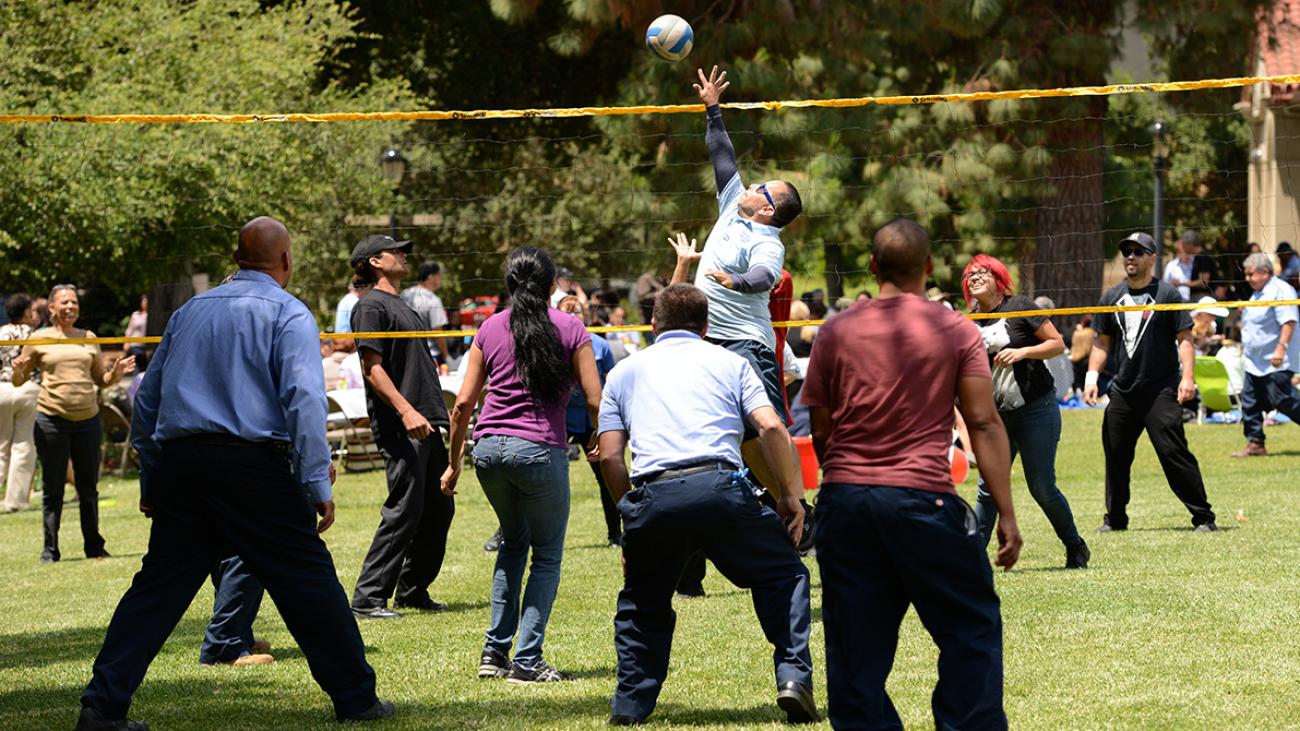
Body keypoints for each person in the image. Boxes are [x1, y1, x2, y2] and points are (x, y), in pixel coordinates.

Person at [75, 217, 391, 731]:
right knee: (309, 584)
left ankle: (102, 707)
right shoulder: (289, 313)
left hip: (183, 464)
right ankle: (357, 699)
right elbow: (303, 401)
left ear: (237, 258)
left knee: (157, 590)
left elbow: (149, 402)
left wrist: (154, 477)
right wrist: (316, 480)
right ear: (286, 261)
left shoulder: (188, 313)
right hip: (253, 467)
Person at [802, 219, 1021, 730]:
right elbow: (985, 422)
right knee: (970, 630)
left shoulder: (834, 331)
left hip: (847, 502)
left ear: (873, 266)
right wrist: (1006, 513)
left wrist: (846, 485)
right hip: (924, 503)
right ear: (928, 267)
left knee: (855, 650)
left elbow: (821, 430)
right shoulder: (956, 330)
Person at [597, 283, 817, 725]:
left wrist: (629, 512)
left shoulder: (624, 371)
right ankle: (793, 679)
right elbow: (772, 427)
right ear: (707, 326)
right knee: (784, 573)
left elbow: (610, 455)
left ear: (653, 324)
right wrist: (790, 494)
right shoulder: (730, 362)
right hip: (722, 489)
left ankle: (631, 705)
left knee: (643, 600)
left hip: (655, 493)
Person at [442, 246, 603, 684]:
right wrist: (598, 438)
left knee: (514, 545)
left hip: (489, 451)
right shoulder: (571, 327)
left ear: (510, 284)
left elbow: (462, 404)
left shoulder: (489, 328)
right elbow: (594, 398)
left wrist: (454, 463)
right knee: (546, 555)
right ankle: (527, 661)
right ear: (554, 284)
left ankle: (494, 654)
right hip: (539, 450)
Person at [668, 65, 804, 501]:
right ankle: (777, 502)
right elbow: (721, 155)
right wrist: (712, 109)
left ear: (767, 210)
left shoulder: (767, 239)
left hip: (746, 343)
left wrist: (736, 279)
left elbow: (765, 275)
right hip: (709, 340)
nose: (754, 183)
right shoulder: (734, 204)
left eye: (762, 188)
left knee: (768, 427)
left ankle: (798, 504)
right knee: (733, 431)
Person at [348, 235, 455, 619]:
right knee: (404, 509)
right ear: (376, 261)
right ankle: (368, 597)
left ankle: (412, 590)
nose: (405, 256)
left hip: (427, 421)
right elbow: (372, 368)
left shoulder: (402, 305)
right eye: (397, 251)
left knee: (439, 509)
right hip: (403, 423)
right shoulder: (370, 306)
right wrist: (406, 411)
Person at [1083, 232, 1217, 532]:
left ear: (1152, 258)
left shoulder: (1168, 294)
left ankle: (1203, 517)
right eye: (1127, 252)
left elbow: (1185, 340)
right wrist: (1091, 377)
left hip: (1160, 390)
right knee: (1116, 456)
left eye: (1138, 251)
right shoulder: (1111, 297)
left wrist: (1188, 377)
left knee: (1173, 453)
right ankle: (1115, 520)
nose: (1131, 256)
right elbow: (1101, 343)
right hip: (1123, 392)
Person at [962, 255, 1089, 569]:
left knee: (1041, 486)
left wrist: (1023, 351)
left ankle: (1075, 547)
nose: (974, 277)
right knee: (988, 490)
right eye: (969, 275)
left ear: (998, 277)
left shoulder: (1020, 306)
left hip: (1035, 410)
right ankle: (973, 562)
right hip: (995, 418)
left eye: (982, 272)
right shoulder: (968, 322)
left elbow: (1057, 344)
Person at [12, 285, 135, 562]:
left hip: (88, 421)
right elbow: (18, 381)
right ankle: (50, 550)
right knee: (53, 488)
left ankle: (94, 546)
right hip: (51, 420)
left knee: (88, 487)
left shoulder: (88, 338)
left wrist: (115, 374)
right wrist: (19, 371)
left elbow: (101, 379)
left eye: (74, 302)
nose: (70, 306)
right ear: (52, 308)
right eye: (64, 302)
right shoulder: (38, 338)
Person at [557, 295, 620, 546]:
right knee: (541, 476)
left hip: (590, 420)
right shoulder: (550, 344)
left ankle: (617, 534)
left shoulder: (599, 345)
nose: (573, 317)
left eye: (578, 312)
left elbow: (612, 381)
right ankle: (508, 534)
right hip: (559, 418)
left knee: (607, 474)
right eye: (567, 312)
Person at [1231, 252, 1300, 457]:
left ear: (1264, 272)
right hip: (1255, 362)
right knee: (1249, 401)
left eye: (1251, 274)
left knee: (1284, 400)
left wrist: (1280, 348)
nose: (1247, 278)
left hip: (1275, 360)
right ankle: (1255, 443)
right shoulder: (1258, 293)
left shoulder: (1281, 290)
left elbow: (1288, 321)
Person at [1, 294, 40, 513]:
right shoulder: (34, 335)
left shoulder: (0, 333)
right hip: (28, 389)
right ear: (25, 311)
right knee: (23, 446)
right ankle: (14, 501)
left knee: (0, 447)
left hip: (2, 389)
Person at [401, 260, 449, 363]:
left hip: (406, 353)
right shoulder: (433, 300)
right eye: (439, 276)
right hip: (430, 355)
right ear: (431, 277)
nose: (440, 279)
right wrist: (446, 356)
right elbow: (437, 332)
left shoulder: (405, 294)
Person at [1071, 316, 1097, 394]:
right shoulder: (1092, 333)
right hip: (1087, 360)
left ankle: (1078, 391)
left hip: (1075, 360)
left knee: (1077, 379)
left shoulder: (1076, 333)